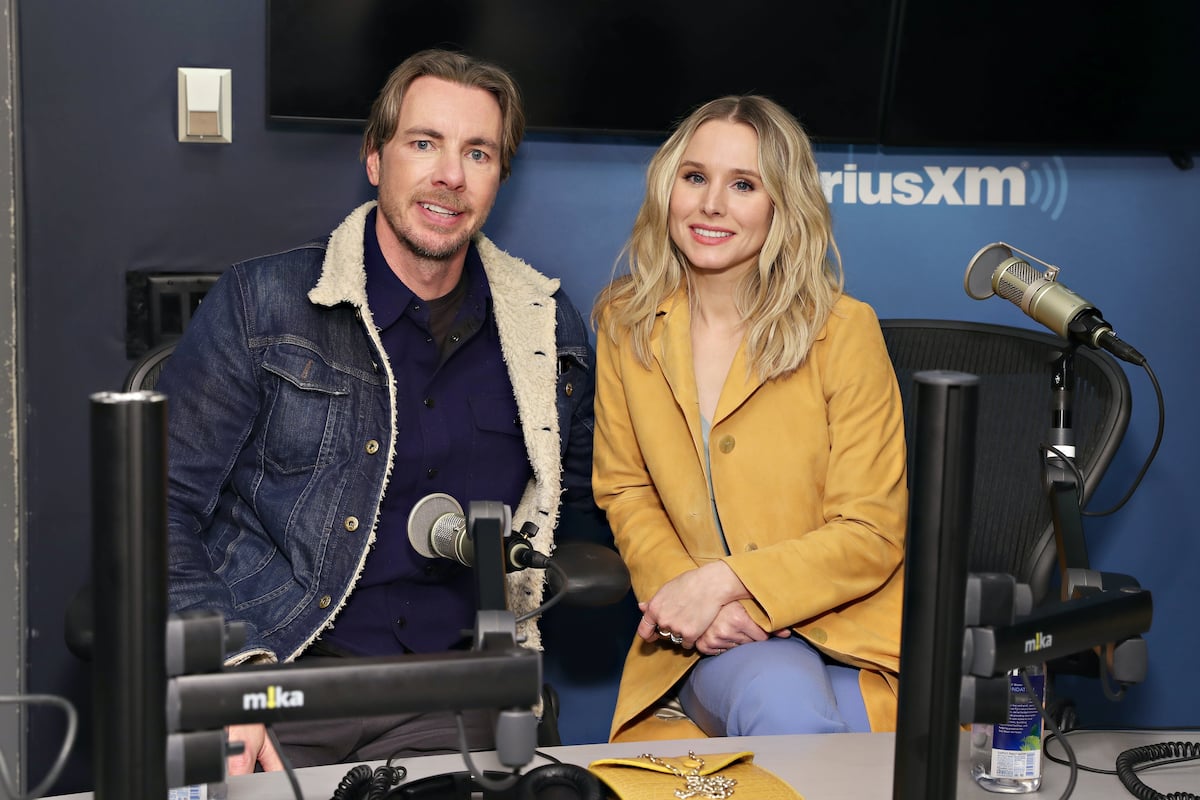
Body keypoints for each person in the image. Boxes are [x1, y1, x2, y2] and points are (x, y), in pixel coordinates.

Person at [157, 49, 596, 773]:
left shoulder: (546, 330)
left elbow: (588, 499)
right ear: (375, 159)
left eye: (477, 152)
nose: (449, 175)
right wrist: (227, 676)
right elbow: (159, 512)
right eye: (424, 143)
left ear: (498, 179)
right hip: (278, 675)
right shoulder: (261, 304)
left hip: (450, 694)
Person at [591, 94, 908, 743]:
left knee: (823, 735)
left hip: (855, 639)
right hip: (709, 645)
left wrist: (726, 582)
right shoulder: (624, 323)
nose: (712, 203)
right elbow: (625, 490)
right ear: (668, 187)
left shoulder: (845, 331)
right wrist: (691, 604)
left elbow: (871, 531)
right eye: (695, 176)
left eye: (743, 184)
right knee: (779, 694)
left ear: (781, 205)